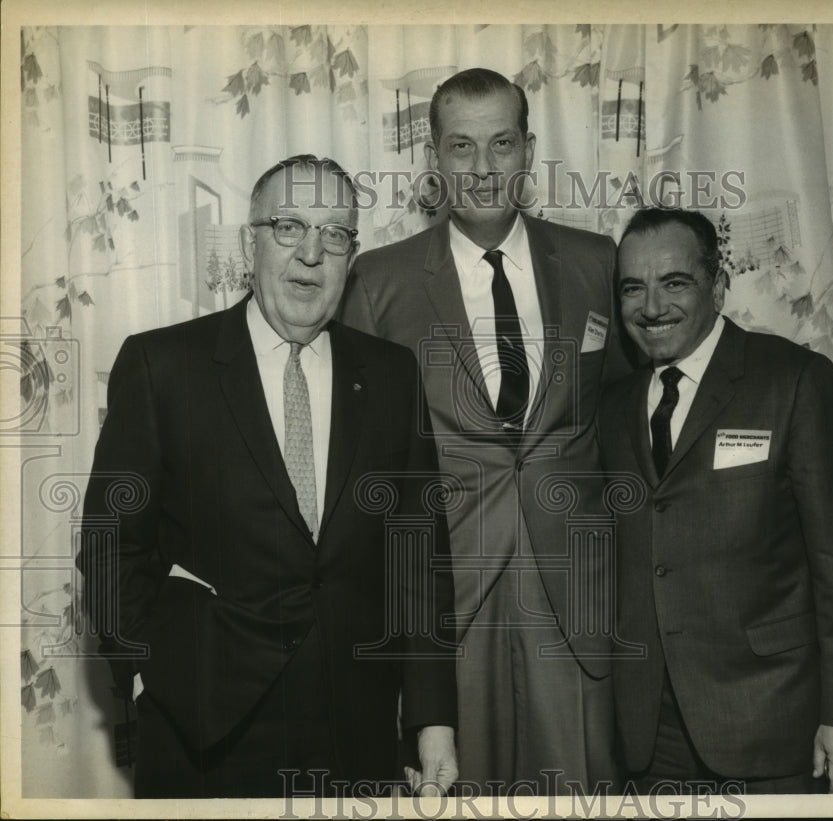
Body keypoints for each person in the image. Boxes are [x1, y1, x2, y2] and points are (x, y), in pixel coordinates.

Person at [77, 155, 457, 798]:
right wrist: (152, 673)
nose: (312, 252)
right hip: (205, 741)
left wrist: (432, 722)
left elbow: (418, 563)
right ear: (249, 242)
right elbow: (110, 549)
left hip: (356, 740)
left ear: (351, 256)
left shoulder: (392, 375)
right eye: (288, 226)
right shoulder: (162, 365)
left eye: (335, 233)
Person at [339, 68, 630, 793]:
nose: (482, 168)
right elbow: (361, 472)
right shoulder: (377, 283)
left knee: (579, 794)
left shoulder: (598, 263)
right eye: (461, 147)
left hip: (575, 600)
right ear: (434, 159)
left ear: (529, 149)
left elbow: (629, 418)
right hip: (449, 604)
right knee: (453, 795)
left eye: (501, 144)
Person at [599, 207, 833, 794]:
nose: (652, 306)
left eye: (674, 282)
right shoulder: (612, 407)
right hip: (648, 735)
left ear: (719, 286)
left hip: (772, 722)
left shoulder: (794, 381)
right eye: (634, 287)